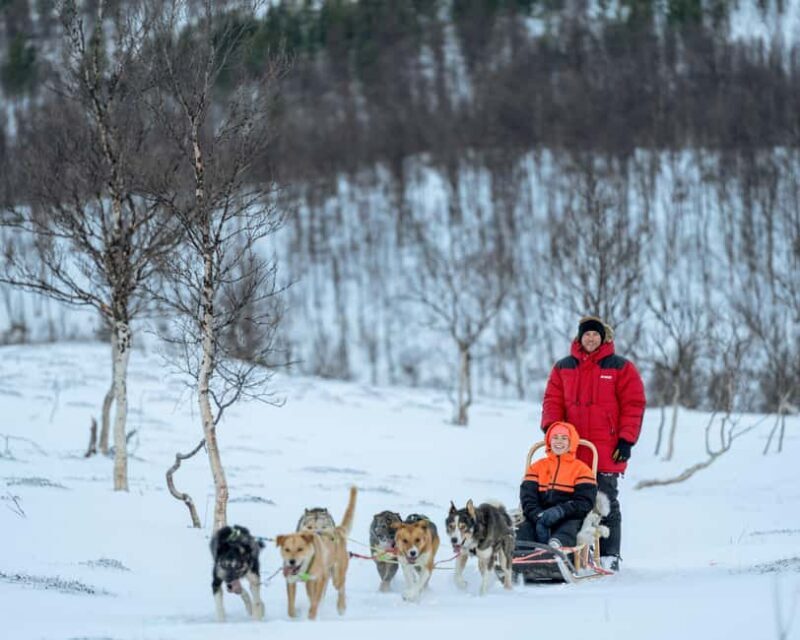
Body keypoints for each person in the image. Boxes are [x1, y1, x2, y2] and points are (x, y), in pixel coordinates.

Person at [540, 315, 646, 571]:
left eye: (595, 334)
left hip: (607, 449)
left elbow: (634, 405)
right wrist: (551, 429)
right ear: (579, 337)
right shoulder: (563, 367)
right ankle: (573, 553)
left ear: (603, 337)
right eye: (586, 334)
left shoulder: (620, 367)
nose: (590, 338)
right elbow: (552, 400)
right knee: (569, 503)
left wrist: (626, 440)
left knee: (605, 501)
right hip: (571, 449)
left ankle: (609, 556)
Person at [518, 421, 597, 549]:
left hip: (568, 518)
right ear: (549, 440)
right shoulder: (537, 467)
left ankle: (556, 547)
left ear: (571, 441)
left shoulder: (582, 470)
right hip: (538, 516)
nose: (559, 441)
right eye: (555, 437)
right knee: (524, 529)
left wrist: (560, 511)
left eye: (564, 438)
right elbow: (527, 497)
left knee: (570, 529)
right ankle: (521, 553)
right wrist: (537, 515)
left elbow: (585, 502)